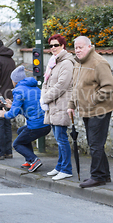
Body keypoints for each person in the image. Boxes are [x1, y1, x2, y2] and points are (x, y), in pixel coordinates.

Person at [67, 36, 113, 188]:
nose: (77, 50)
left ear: (89, 47)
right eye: (76, 47)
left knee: (95, 144)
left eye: (80, 47)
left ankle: (97, 176)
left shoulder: (99, 62)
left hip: (99, 109)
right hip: (87, 110)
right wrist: (71, 105)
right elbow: (76, 87)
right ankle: (104, 174)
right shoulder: (78, 63)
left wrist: (92, 100)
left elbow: (109, 86)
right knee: (95, 143)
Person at [0, 66, 51, 173]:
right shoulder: (35, 88)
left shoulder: (18, 90)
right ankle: (29, 159)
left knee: (17, 144)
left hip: (36, 126)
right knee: (21, 132)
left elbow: (12, 114)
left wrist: (4, 114)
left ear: (15, 81)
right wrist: (12, 105)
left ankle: (34, 160)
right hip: (46, 124)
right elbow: (27, 110)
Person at [40, 34, 75, 180]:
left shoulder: (66, 62)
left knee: (61, 138)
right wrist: (43, 98)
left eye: (56, 45)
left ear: (63, 46)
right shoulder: (54, 62)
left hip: (61, 104)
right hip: (53, 105)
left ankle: (66, 169)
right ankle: (60, 166)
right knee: (58, 137)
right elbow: (46, 82)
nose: (53, 48)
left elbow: (62, 85)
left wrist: (45, 98)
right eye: (51, 45)